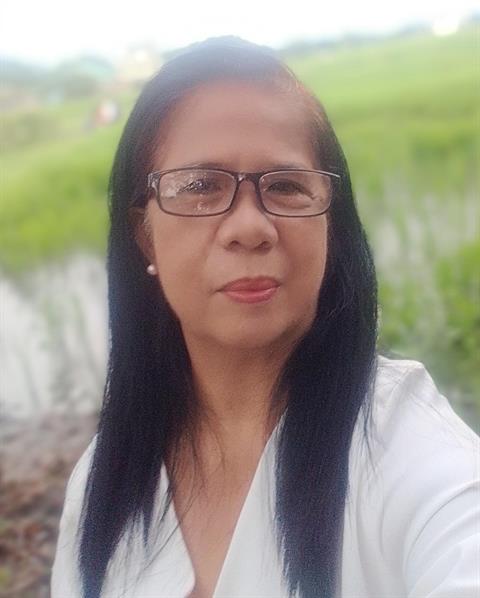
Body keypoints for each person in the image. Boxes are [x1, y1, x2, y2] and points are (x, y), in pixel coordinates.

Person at [51, 37, 479, 598]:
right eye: (200, 187)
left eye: (286, 186)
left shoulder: (408, 448)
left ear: (330, 225)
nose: (249, 227)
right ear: (144, 236)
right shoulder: (102, 483)